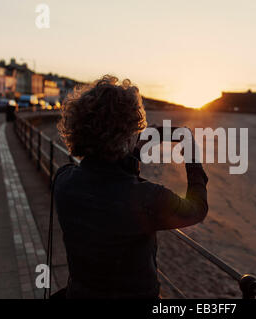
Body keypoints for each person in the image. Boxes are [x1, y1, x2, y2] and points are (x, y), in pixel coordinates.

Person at [54, 75, 208, 299]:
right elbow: (196, 208)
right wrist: (193, 158)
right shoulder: (148, 198)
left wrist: (132, 148)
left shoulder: (64, 181)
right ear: (127, 136)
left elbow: (107, 174)